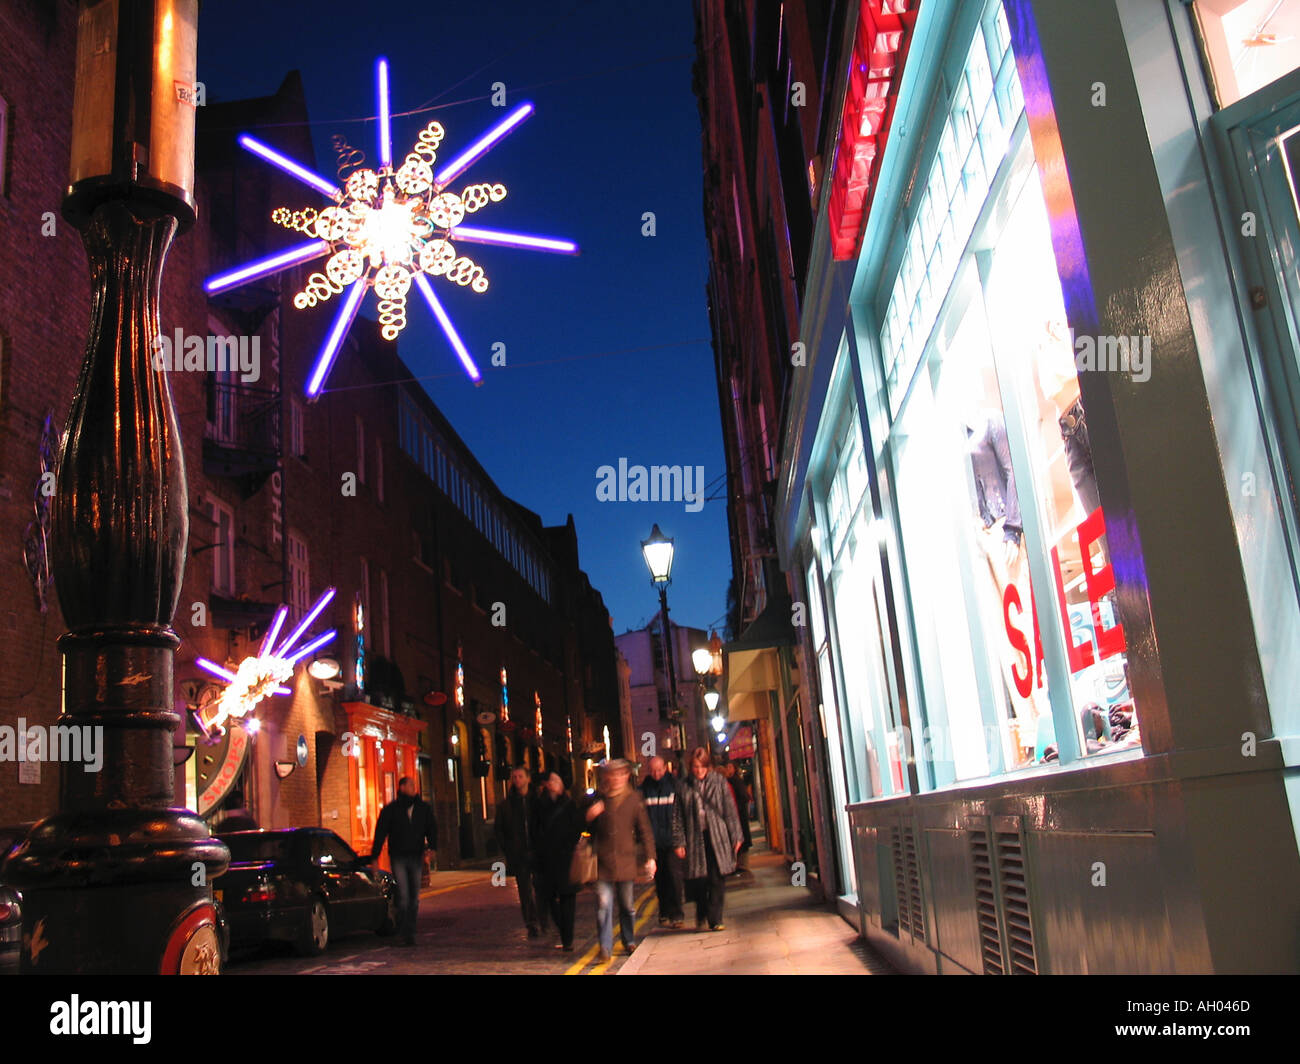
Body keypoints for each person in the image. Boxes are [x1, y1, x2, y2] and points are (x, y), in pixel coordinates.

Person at [583, 758, 656, 962]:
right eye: (611, 775)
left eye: (619, 775)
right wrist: (589, 816)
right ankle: (605, 946)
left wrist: (651, 857)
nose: (615, 779)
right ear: (607, 777)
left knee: (627, 905)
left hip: (625, 861)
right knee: (603, 905)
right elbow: (584, 827)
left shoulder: (634, 799)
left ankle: (628, 939)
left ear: (626, 776)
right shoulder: (600, 798)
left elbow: (645, 831)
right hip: (603, 862)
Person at [371, 777, 438, 947]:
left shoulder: (423, 808)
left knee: (414, 897)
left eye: (414, 785)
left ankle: (410, 931)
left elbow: (431, 828)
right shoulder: (391, 810)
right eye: (410, 785)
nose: (414, 788)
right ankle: (402, 928)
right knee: (403, 895)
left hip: (416, 856)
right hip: (398, 856)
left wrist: (432, 848)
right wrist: (375, 857)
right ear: (401, 787)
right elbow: (380, 833)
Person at [681, 747, 742, 932]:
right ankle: (702, 912)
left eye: (702, 766)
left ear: (708, 766)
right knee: (700, 879)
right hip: (695, 837)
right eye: (695, 767)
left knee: (717, 878)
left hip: (717, 836)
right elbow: (677, 816)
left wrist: (736, 835)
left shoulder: (719, 782)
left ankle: (715, 919)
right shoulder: (684, 786)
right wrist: (678, 842)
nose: (698, 770)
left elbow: (729, 810)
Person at [531, 770, 582, 952]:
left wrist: (568, 843)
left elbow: (577, 828)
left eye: (555, 781)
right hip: (546, 861)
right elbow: (533, 831)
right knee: (550, 900)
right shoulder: (538, 804)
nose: (552, 784)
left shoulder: (569, 805)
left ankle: (568, 939)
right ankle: (563, 929)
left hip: (566, 859)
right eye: (549, 781)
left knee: (568, 900)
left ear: (561, 785)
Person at [494, 765, 542, 937]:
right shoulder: (505, 805)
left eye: (520, 776)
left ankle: (543, 917)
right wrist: (509, 849)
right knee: (524, 890)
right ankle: (531, 923)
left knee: (541, 888)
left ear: (528, 779)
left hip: (538, 853)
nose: (517, 780)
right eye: (514, 777)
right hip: (519, 855)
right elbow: (499, 830)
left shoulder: (538, 801)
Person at [639, 755, 686, 927]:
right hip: (655, 842)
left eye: (659, 770)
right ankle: (664, 911)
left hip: (672, 840)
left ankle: (677, 913)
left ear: (665, 768)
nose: (656, 773)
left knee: (674, 876)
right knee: (660, 879)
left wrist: (681, 840)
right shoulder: (644, 789)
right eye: (653, 770)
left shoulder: (674, 786)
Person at [722, 762, 753, 872]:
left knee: (741, 838)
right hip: (738, 815)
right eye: (727, 767)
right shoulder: (731, 781)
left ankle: (742, 864)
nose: (728, 769)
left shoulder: (734, 781)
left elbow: (744, 797)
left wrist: (737, 807)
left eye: (730, 767)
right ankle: (742, 864)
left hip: (739, 815)